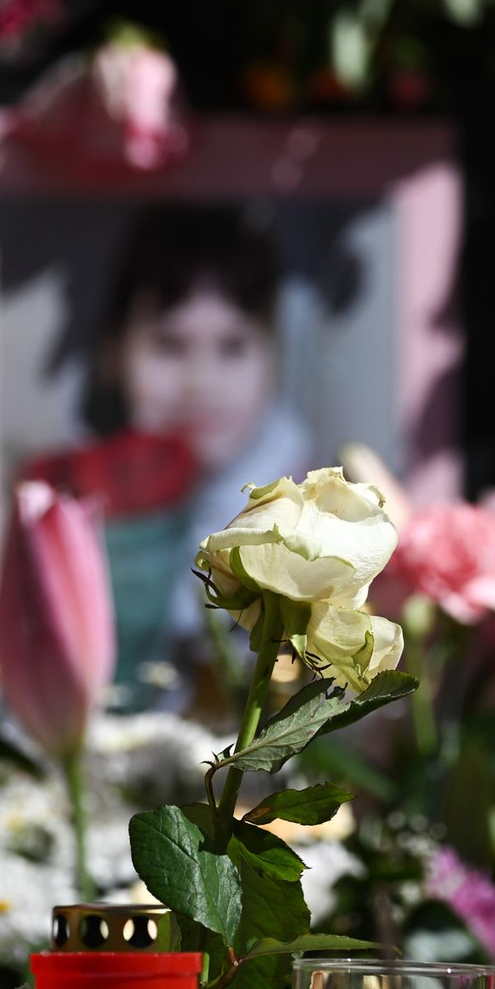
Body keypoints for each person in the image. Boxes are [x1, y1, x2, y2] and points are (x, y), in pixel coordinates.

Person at [80, 204, 311, 704]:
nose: (200, 383)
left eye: (232, 347)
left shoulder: (310, 512)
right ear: (113, 354)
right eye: (168, 345)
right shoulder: (85, 509)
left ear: (275, 356)